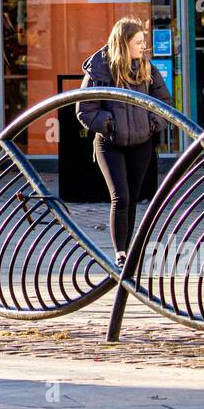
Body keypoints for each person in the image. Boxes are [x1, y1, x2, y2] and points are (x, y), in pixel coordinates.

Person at [75, 18, 172, 262]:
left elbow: (165, 104)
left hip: (141, 142)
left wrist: (151, 124)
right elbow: (84, 108)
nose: (143, 46)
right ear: (124, 43)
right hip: (110, 143)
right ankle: (120, 252)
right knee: (121, 196)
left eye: (144, 41)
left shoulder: (147, 69)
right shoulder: (99, 69)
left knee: (134, 196)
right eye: (138, 42)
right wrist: (108, 124)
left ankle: (127, 252)